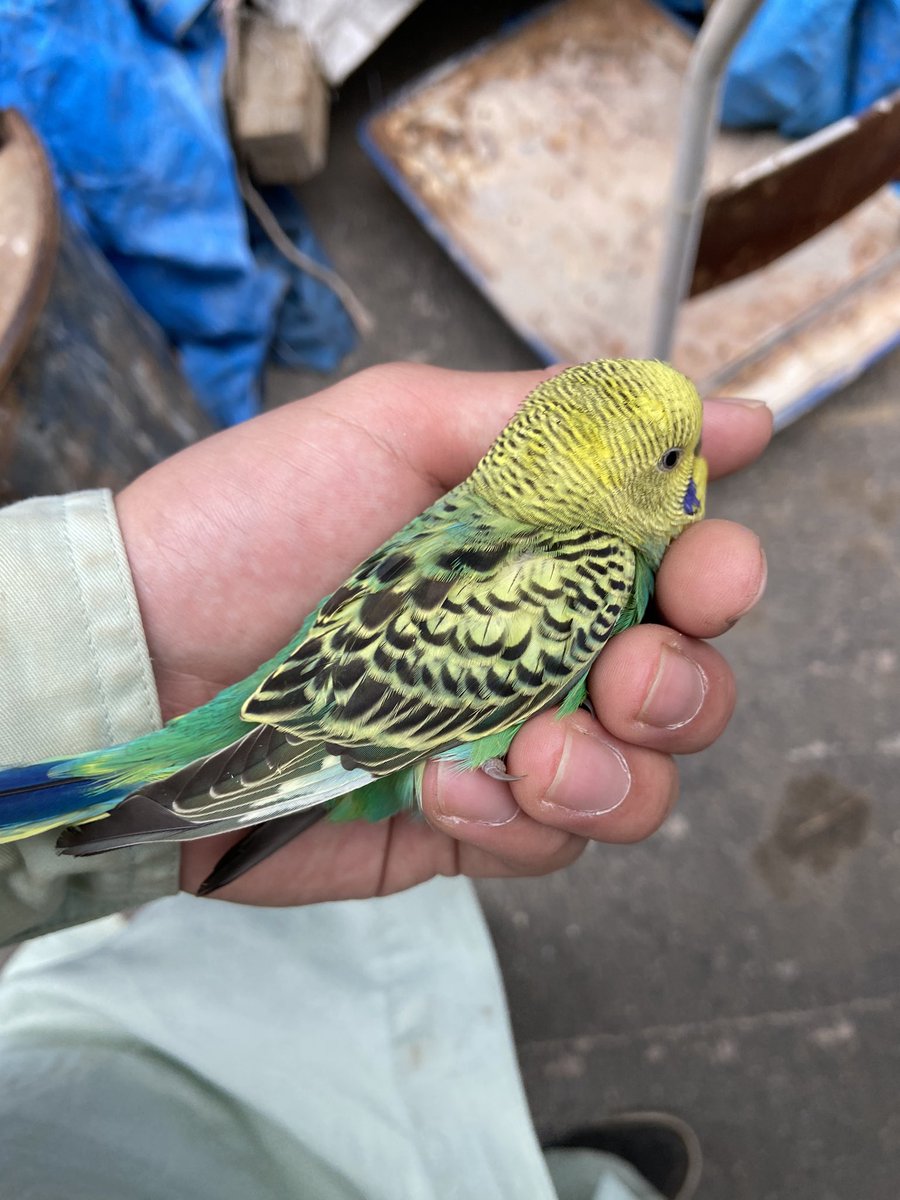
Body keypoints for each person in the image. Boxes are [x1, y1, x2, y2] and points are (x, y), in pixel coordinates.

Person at [0, 365, 770, 1199]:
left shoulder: (516, 536)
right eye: (673, 459)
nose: (695, 464)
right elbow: (352, 735)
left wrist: (87, 663)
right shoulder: (589, 575)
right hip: (326, 742)